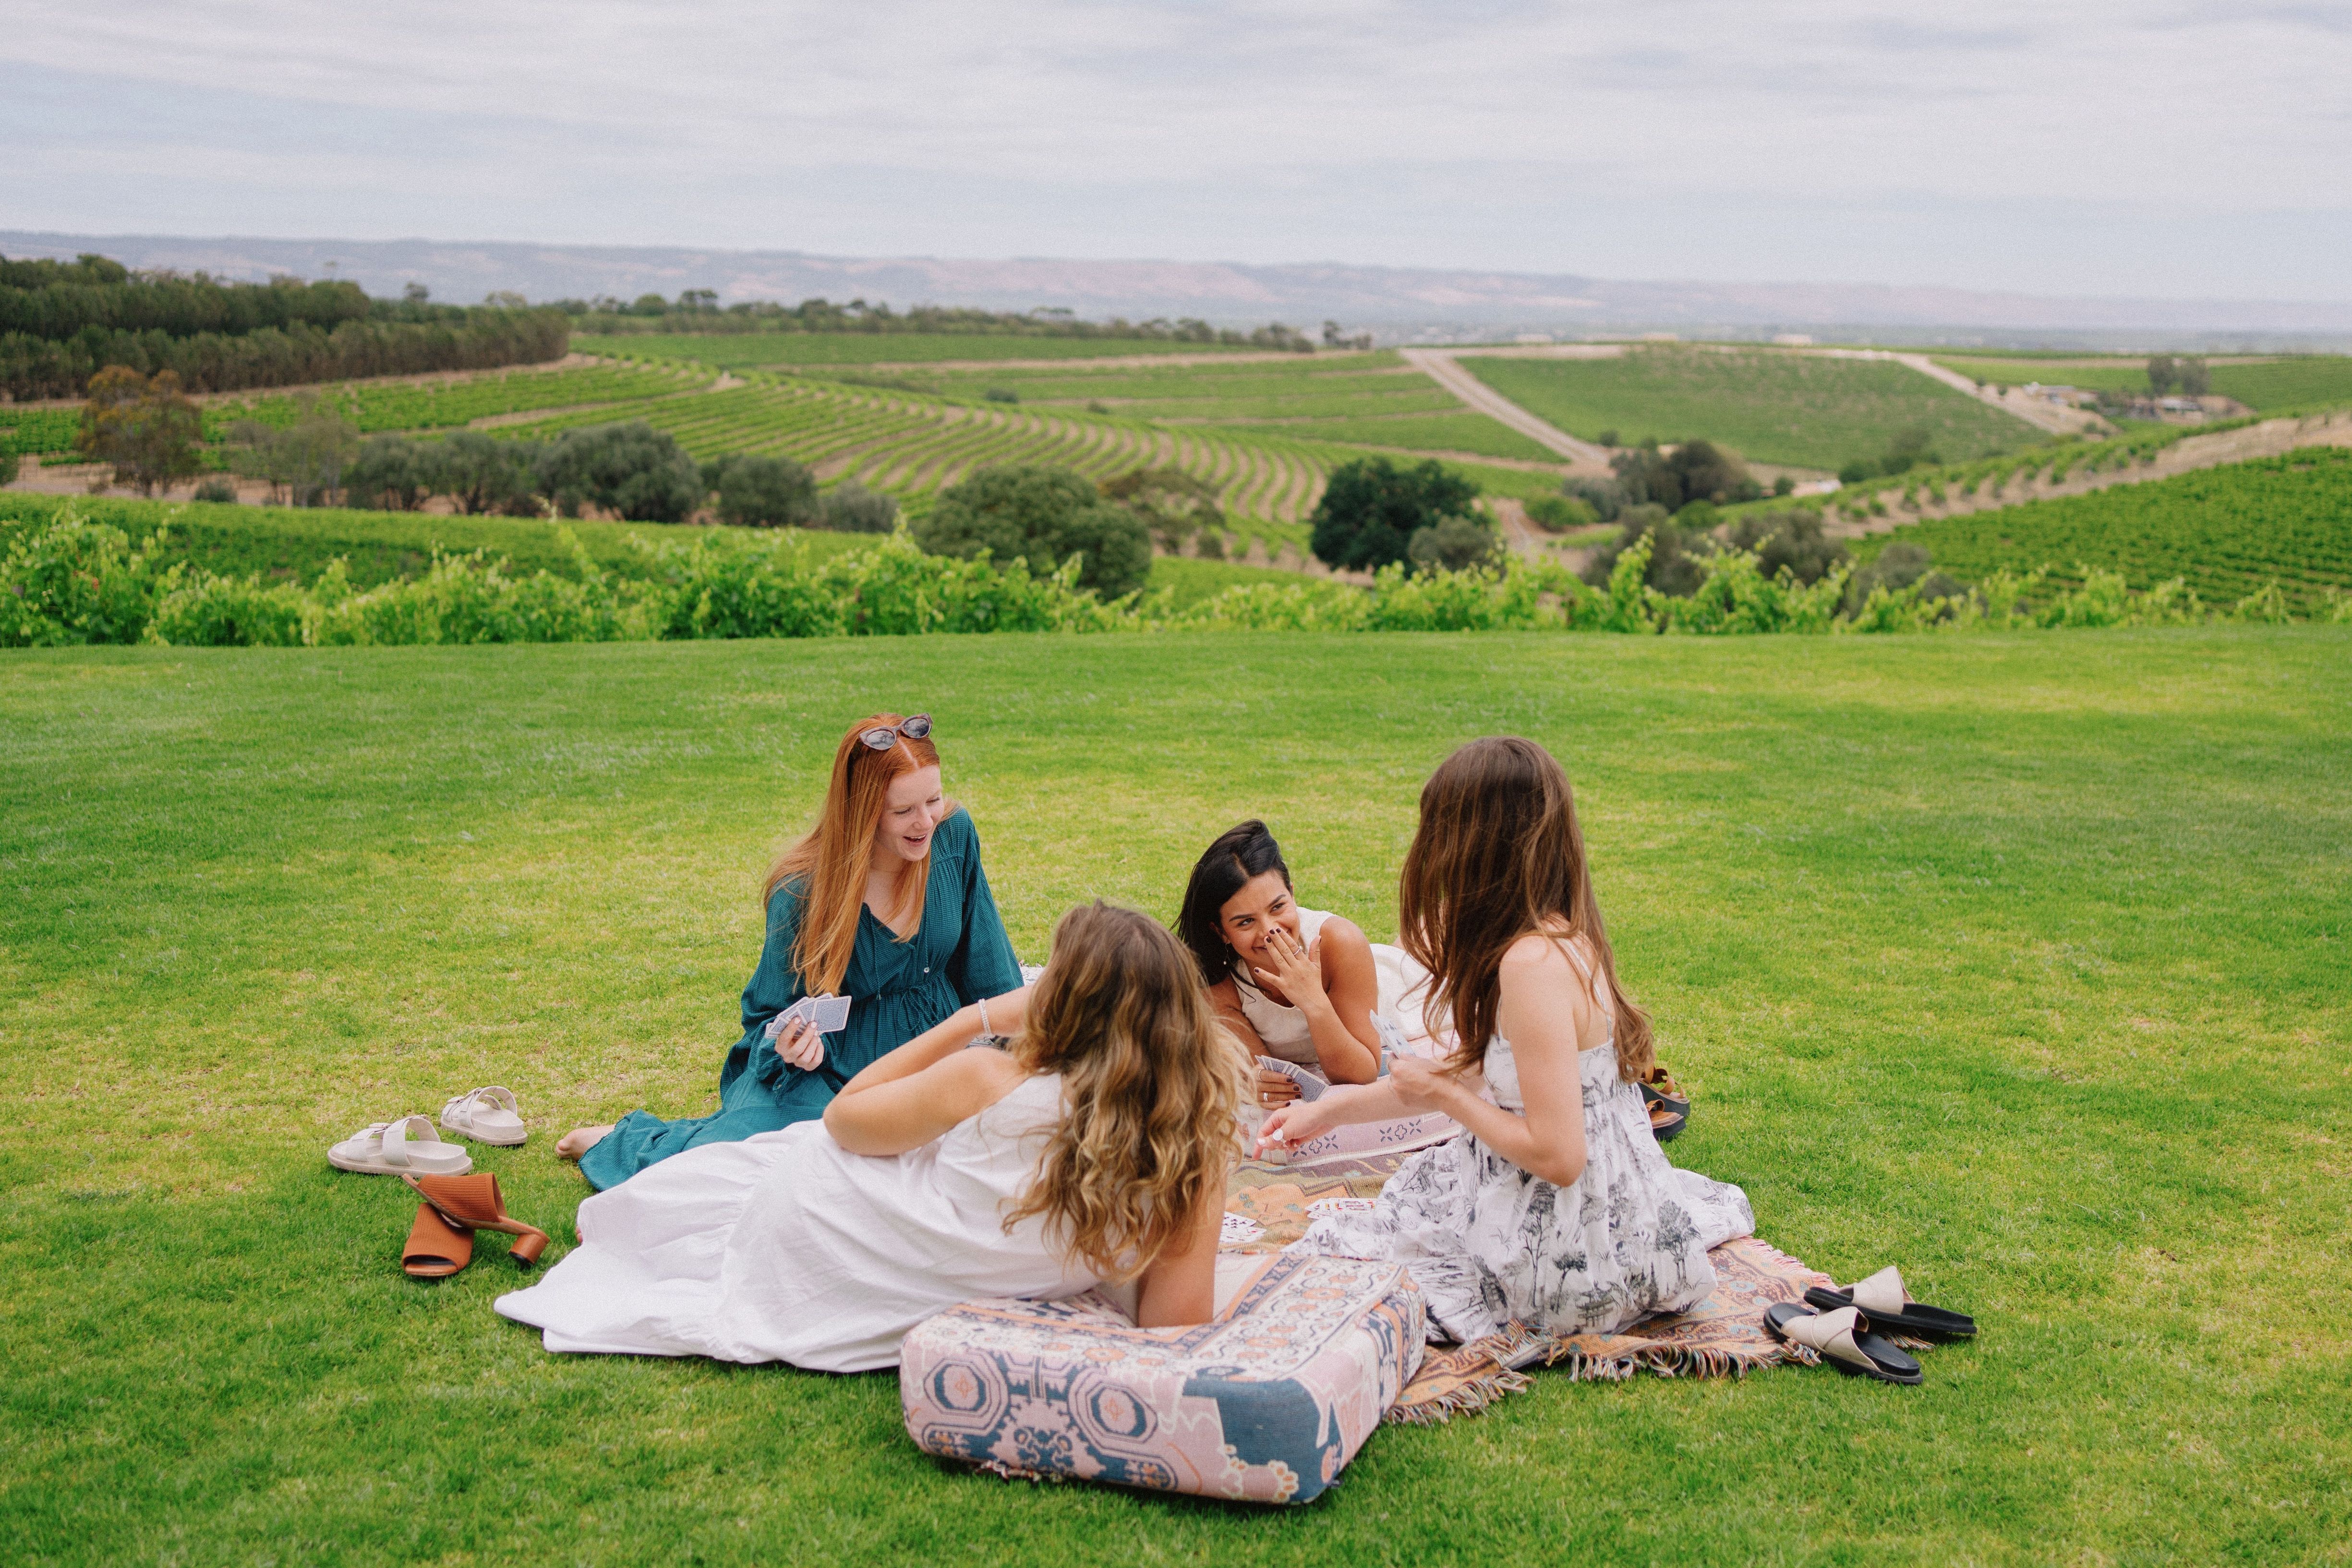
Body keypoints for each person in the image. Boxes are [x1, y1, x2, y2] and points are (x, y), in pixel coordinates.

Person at [497, 903, 1248, 1371]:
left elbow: (845, 1118)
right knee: (700, 1182)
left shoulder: (991, 1081)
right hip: (911, 1239)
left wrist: (973, 1020)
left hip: (836, 1215)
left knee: (676, 1205)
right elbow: (1170, 1325)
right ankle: (635, 1144)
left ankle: (631, 1144)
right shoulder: (1195, 1152)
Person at [1266, 738, 1754, 1343]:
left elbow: (1559, 1155)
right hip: (1610, 1218)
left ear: (1476, 846)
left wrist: (1448, 1102)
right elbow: (1479, 1074)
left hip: (1570, 1260)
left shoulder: (1531, 966)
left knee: (1386, 1226)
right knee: (1420, 1193)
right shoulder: (1555, 936)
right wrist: (1329, 1110)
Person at [560, 712, 1023, 1190]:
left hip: (935, 1051)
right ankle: (624, 1140)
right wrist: (792, 1047)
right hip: (829, 1069)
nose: (926, 821)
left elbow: (989, 967)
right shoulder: (802, 888)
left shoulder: (954, 835)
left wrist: (1026, 1042)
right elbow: (768, 1013)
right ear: (864, 811)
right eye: (904, 810)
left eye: (933, 799)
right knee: (754, 1165)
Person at [1175, 819, 1392, 1119]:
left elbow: (1363, 1073)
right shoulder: (1216, 978)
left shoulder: (1341, 943)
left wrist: (1313, 1000)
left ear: (1292, 893)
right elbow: (1264, 1078)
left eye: (1278, 907)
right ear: (1221, 931)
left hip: (1390, 988)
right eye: (1245, 922)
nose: (1270, 931)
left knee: (1421, 966)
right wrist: (1251, 1080)